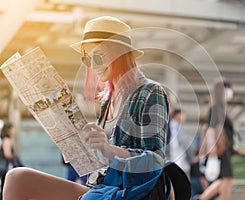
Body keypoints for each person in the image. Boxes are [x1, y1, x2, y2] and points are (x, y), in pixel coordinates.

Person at [3, 16, 169, 200]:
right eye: (87, 59)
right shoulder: (108, 100)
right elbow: (102, 159)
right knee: (17, 178)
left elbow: (155, 161)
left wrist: (108, 149)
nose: (93, 66)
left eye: (98, 57)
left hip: (128, 191)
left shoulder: (151, 92)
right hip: (102, 186)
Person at [199, 78, 244, 200]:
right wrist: (212, 146)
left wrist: (233, 147)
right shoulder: (215, 108)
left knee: (225, 179)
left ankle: (202, 198)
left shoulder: (221, 108)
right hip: (222, 149)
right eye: (227, 88)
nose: (229, 91)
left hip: (227, 149)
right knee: (227, 178)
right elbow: (211, 129)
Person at [0, 122, 23, 200]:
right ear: (8, 130)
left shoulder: (5, 140)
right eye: (12, 129)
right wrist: (15, 158)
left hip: (4, 167)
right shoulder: (7, 140)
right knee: (6, 186)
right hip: (6, 167)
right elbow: (7, 154)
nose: (14, 131)